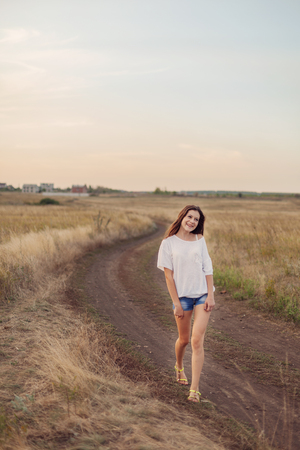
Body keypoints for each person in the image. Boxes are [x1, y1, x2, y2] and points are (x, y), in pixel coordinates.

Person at [157, 205, 215, 403]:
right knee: (184, 340)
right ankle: (179, 367)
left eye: (196, 219)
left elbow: (208, 267)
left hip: (202, 295)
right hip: (181, 298)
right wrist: (176, 304)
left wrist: (210, 295)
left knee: (197, 340)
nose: (192, 221)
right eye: (189, 217)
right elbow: (168, 276)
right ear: (182, 217)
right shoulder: (168, 243)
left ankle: (194, 389)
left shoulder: (200, 241)